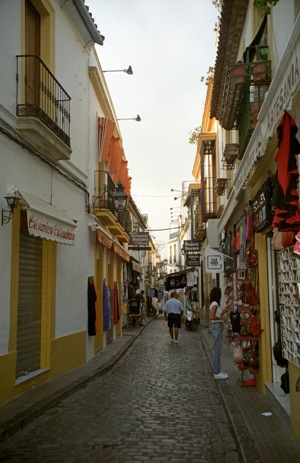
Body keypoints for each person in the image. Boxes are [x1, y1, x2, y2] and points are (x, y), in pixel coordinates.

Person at [209, 287, 228, 380]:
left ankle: (217, 370)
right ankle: (217, 372)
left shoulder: (214, 304)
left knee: (217, 350)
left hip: (216, 327)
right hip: (216, 326)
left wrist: (226, 307)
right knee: (217, 350)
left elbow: (218, 314)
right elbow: (212, 317)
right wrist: (222, 318)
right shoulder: (215, 304)